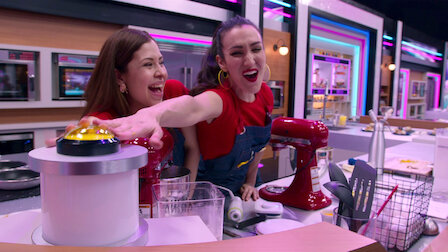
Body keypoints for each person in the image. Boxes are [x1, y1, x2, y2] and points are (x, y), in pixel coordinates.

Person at [95, 16, 273, 201]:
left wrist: (251, 181)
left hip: (245, 195)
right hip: (211, 198)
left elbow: (257, 149)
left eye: (256, 48)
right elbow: (194, 107)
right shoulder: (221, 100)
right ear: (222, 62)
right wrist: (150, 115)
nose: (250, 59)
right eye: (237, 53)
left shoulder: (266, 94)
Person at [59, 28, 200, 182]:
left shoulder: (172, 91)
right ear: (119, 77)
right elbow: (94, 125)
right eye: (148, 64)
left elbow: (192, 146)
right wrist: (85, 133)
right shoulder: (107, 120)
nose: (161, 73)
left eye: (161, 62)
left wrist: (187, 194)